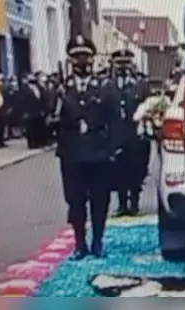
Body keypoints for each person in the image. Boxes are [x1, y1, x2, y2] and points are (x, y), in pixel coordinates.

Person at [57, 35, 118, 259]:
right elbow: (54, 118)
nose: (81, 61)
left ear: (92, 60)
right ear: (71, 61)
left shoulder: (105, 86)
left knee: (99, 199)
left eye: (85, 56)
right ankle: (79, 243)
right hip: (72, 152)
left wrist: (112, 149)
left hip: (98, 151)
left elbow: (114, 120)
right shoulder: (63, 88)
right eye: (76, 57)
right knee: (75, 200)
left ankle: (98, 241)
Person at [105, 50, 149, 217]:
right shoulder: (108, 85)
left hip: (136, 137)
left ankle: (135, 203)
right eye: (119, 64)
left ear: (131, 64)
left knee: (136, 170)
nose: (123, 67)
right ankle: (122, 204)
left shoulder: (141, 84)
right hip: (116, 136)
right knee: (118, 171)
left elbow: (148, 108)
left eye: (126, 63)